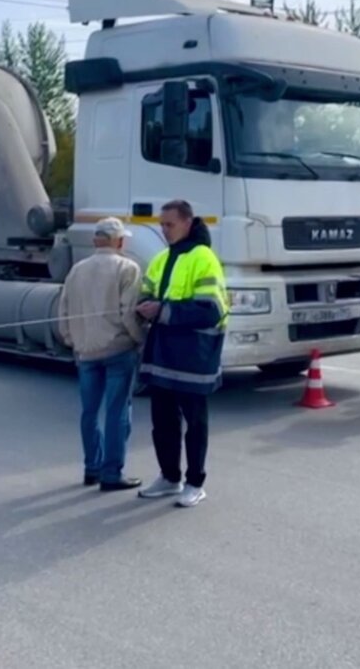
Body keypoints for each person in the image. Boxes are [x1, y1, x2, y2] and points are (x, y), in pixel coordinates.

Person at [134, 200, 228, 508]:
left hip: (194, 357)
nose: (164, 229)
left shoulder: (204, 258)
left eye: (169, 224)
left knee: (195, 422)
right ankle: (170, 477)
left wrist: (162, 310)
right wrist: (146, 305)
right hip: (163, 354)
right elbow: (147, 291)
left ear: (188, 223)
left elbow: (211, 310)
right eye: (161, 224)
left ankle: (195, 482)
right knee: (162, 420)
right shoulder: (161, 258)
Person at [58, 217, 147, 492]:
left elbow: (64, 311)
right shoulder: (127, 268)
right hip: (118, 350)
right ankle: (112, 473)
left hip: (86, 352)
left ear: (96, 241)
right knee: (117, 411)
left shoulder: (77, 270)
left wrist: (74, 341)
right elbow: (129, 313)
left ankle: (91, 469)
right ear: (119, 241)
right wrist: (139, 340)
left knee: (89, 412)